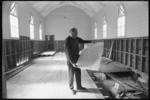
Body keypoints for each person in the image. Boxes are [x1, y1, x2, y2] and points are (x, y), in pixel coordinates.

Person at [64, 28, 94, 95]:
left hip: (77, 58)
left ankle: (79, 86)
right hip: (70, 59)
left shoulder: (77, 38)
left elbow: (83, 41)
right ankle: (71, 88)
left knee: (78, 72)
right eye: (73, 34)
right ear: (70, 33)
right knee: (71, 74)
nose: (74, 35)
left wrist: (91, 41)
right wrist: (72, 62)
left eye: (76, 33)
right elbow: (68, 53)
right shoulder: (67, 40)